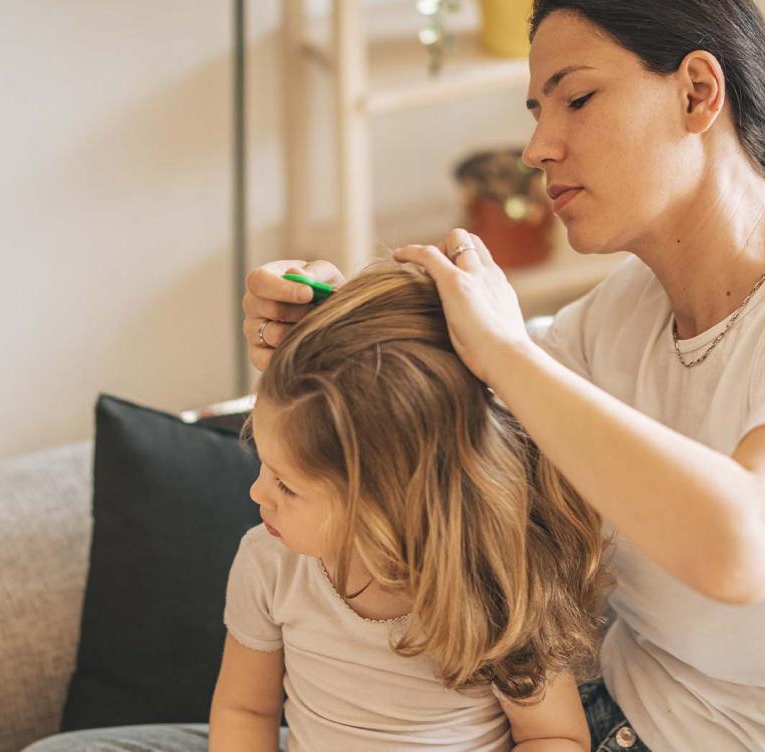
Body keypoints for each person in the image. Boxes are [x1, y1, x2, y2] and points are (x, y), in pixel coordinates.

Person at [29, 0, 765, 749]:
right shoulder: (629, 315)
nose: (537, 147)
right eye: (534, 109)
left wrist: (511, 353)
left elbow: (744, 543)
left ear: (697, 90)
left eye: (576, 99)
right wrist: (315, 329)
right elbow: (428, 416)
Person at [34, 264, 611, 751]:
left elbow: (553, 738)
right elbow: (245, 711)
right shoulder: (269, 563)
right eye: (264, 464)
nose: (257, 493)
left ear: (387, 506)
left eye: (286, 485)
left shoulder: (497, 584)